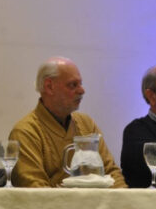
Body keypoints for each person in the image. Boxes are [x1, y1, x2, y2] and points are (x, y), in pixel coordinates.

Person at [9, 57, 126, 188]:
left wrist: (124, 199)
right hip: (56, 207)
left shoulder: (87, 124)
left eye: (81, 84)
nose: (82, 90)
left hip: (95, 205)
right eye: (73, 85)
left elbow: (111, 172)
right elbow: (35, 189)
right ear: (49, 86)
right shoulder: (25, 132)